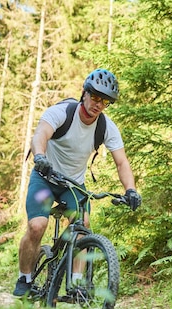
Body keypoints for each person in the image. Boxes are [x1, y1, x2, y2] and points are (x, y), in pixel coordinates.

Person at [13, 68, 141, 297]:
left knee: (82, 227)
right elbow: (40, 135)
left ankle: (77, 284)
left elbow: (122, 162)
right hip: (45, 180)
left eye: (105, 101)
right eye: (95, 97)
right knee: (36, 226)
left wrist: (130, 189)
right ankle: (25, 277)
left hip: (72, 186)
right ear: (85, 93)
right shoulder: (62, 112)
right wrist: (40, 156)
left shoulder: (106, 127)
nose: (99, 104)